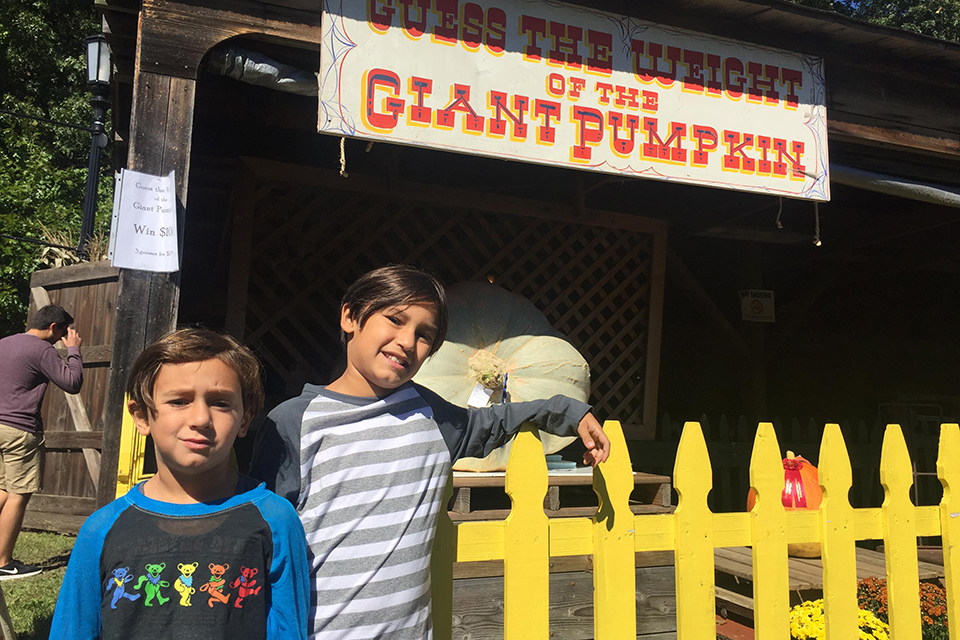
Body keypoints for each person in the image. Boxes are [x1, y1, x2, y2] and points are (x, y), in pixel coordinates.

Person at [250, 265, 610, 640]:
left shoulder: (431, 417)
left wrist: (568, 411)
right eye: (394, 320)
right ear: (350, 317)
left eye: (424, 335)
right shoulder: (294, 422)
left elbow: (496, 420)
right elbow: (261, 542)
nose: (407, 341)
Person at [50, 328, 310, 640]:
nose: (200, 418)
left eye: (221, 403)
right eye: (179, 401)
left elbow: (289, 629)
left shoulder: (276, 519)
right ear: (142, 415)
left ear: (245, 418)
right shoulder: (102, 530)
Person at [0, 304, 83, 580]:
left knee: (1, 488)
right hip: (20, 430)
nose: (63, 336)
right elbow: (72, 382)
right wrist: (72, 350)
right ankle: (2, 562)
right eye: (63, 332)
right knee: (18, 494)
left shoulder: (5, 343)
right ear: (53, 328)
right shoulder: (41, 349)